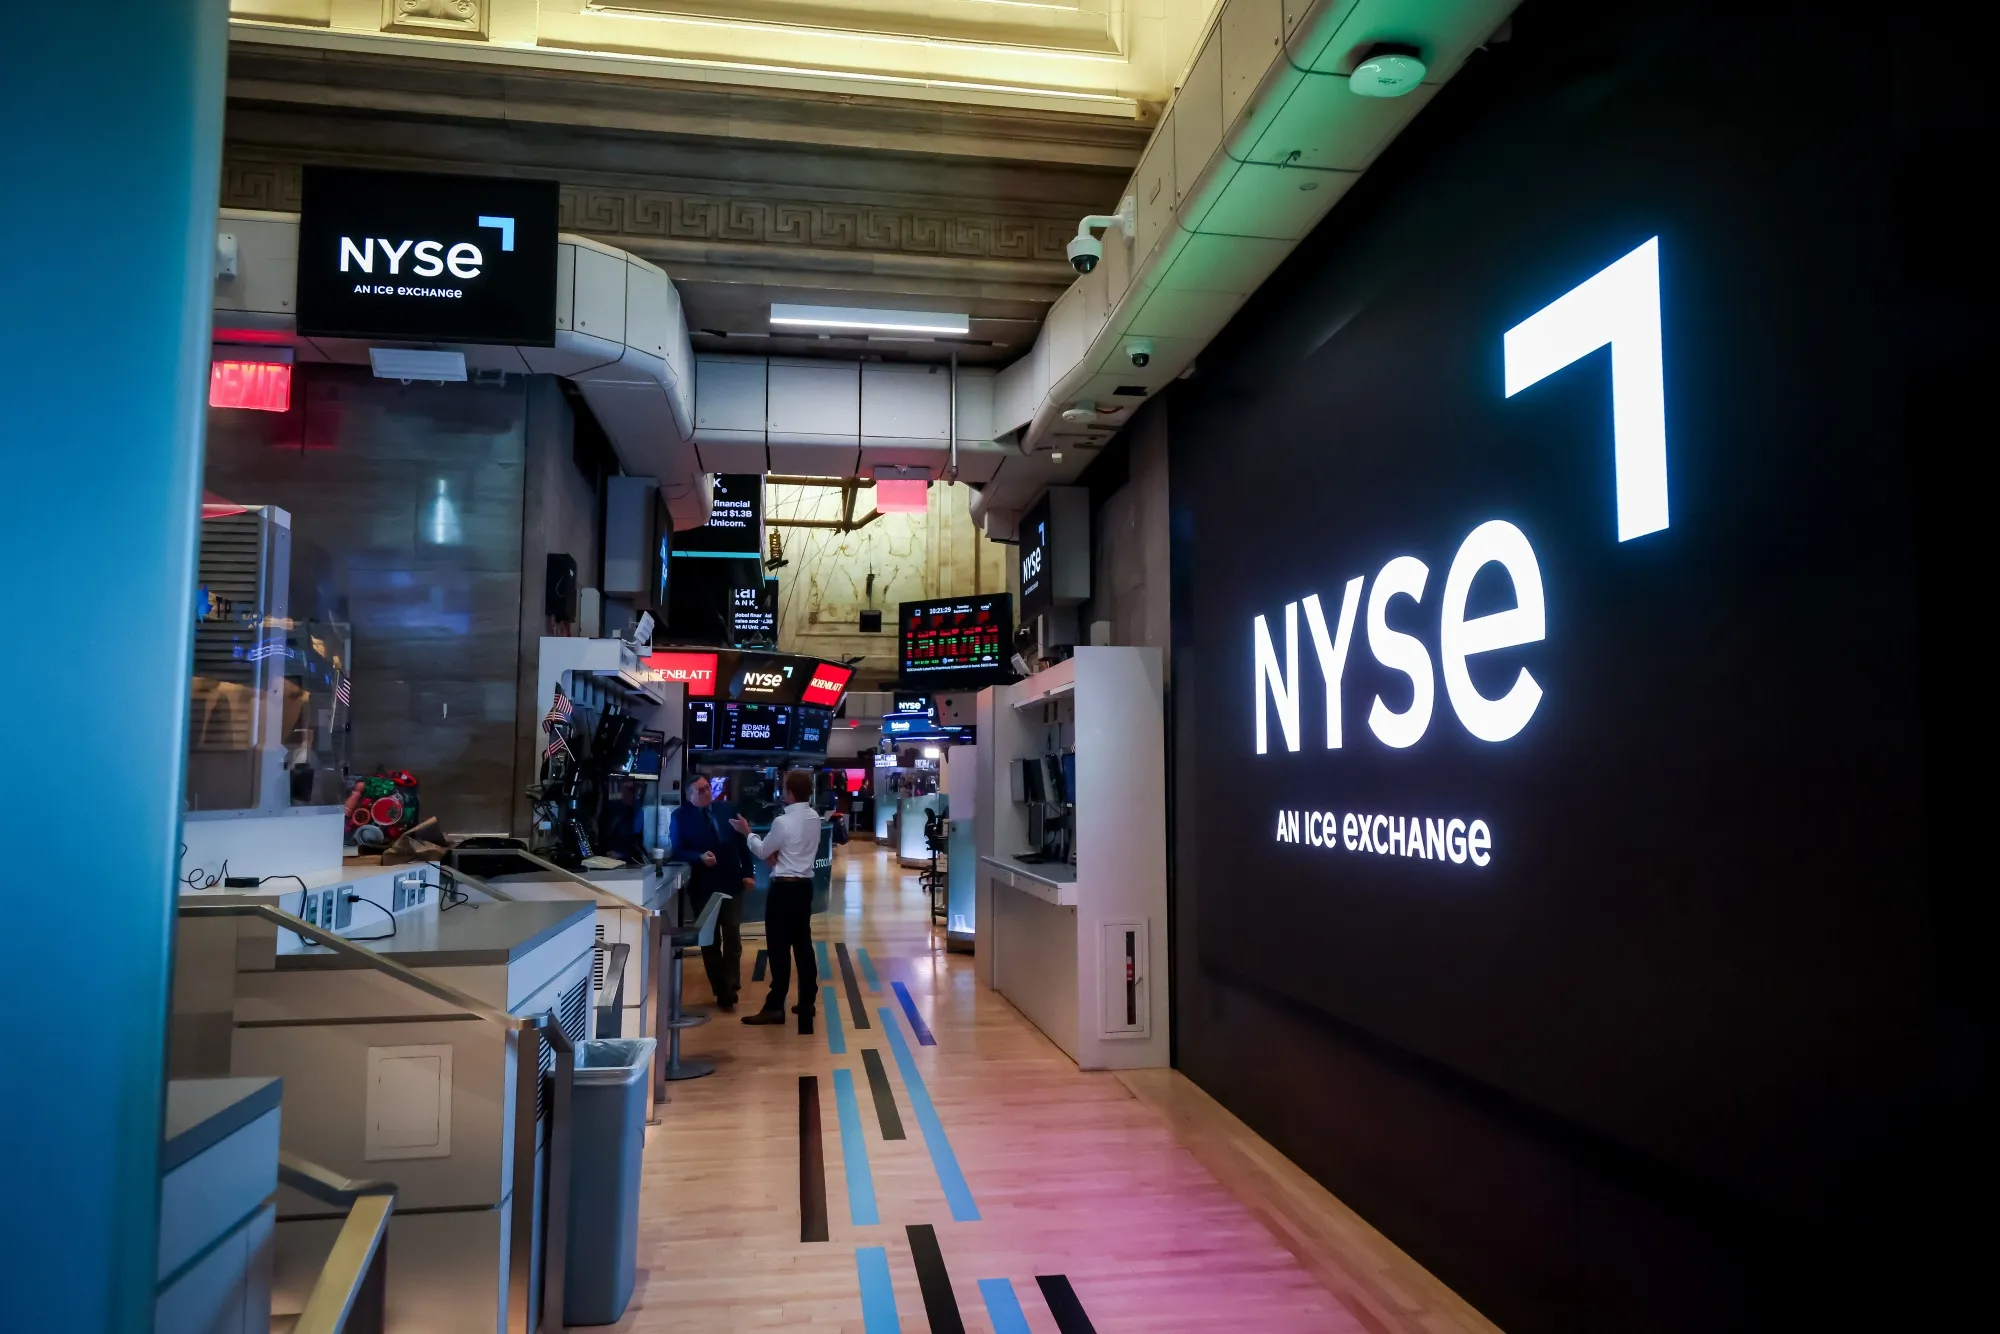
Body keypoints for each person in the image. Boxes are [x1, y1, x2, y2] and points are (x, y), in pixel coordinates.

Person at [733, 769, 823, 1034]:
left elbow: (762, 850)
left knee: (779, 948)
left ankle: (775, 1006)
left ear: (790, 792)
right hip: (805, 888)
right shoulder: (814, 817)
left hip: (783, 891)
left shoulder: (783, 822)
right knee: (803, 945)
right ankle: (807, 1001)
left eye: (784, 787)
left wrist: (747, 831)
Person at [666, 775, 742, 1012]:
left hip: (731, 881)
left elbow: (741, 844)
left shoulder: (726, 809)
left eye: (708, 788)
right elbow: (677, 850)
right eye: (701, 790)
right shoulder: (680, 817)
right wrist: (698, 858)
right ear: (690, 796)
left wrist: (748, 872)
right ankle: (721, 989)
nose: (707, 792)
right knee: (710, 940)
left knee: (732, 935)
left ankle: (730, 983)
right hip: (703, 884)